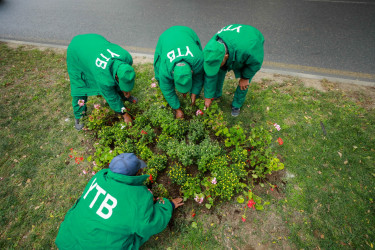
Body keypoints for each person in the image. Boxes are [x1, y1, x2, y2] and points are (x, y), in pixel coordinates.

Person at [55, 153, 184, 249]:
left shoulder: (100, 177)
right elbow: (151, 223)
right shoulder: (138, 198)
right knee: (138, 231)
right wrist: (168, 205)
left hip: (66, 239)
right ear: (138, 172)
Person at [67, 34, 137, 130]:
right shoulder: (102, 76)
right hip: (77, 51)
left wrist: (125, 90)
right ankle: (80, 116)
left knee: (113, 82)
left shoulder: (126, 57)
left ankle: (122, 96)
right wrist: (125, 115)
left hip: (95, 40)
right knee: (80, 86)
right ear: (116, 76)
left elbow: (124, 76)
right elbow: (111, 97)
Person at [203, 24, 264, 117]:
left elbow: (256, 63)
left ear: (226, 57)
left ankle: (236, 104)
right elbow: (210, 75)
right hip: (232, 43)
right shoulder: (211, 48)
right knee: (219, 71)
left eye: (218, 64)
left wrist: (245, 77)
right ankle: (215, 94)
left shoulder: (248, 49)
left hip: (251, 41)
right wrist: (208, 96)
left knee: (243, 84)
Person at [154, 26, 204, 119]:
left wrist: (194, 93)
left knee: (201, 68)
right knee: (160, 77)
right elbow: (167, 90)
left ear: (192, 71)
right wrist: (177, 109)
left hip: (187, 33)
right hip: (166, 37)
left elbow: (199, 77)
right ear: (172, 73)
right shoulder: (165, 68)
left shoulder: (199, 60)